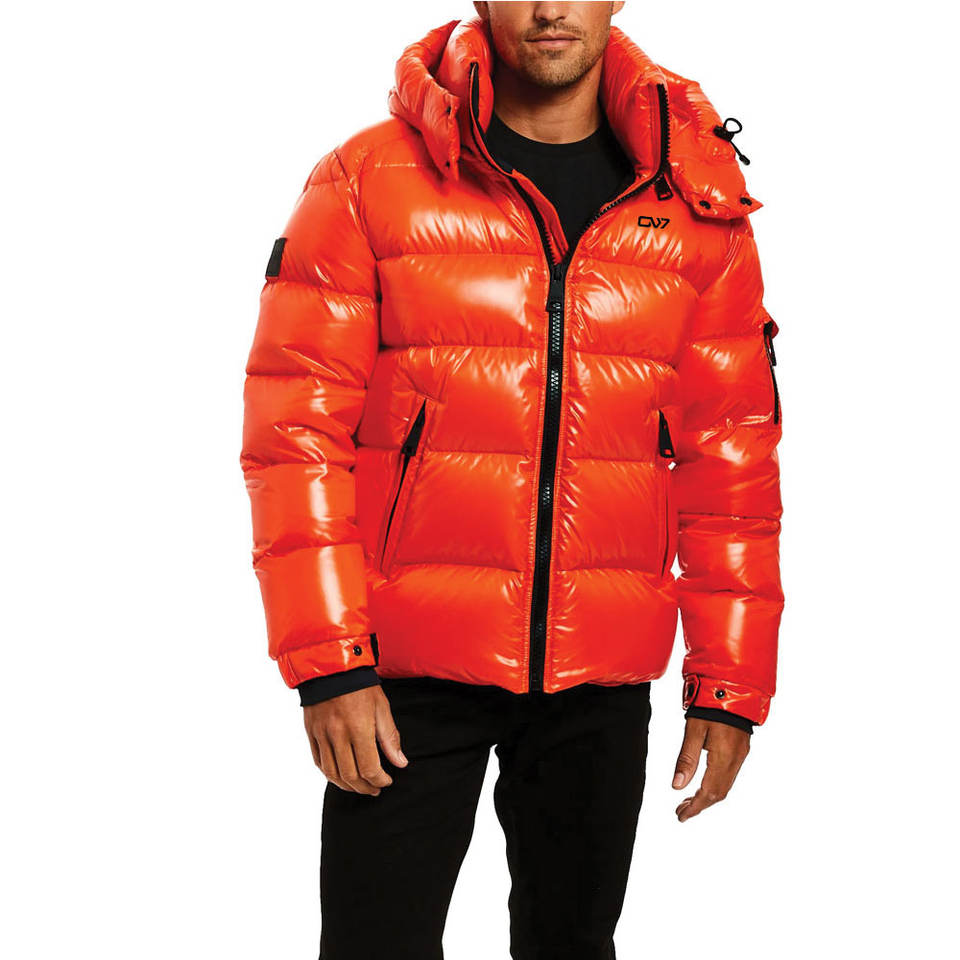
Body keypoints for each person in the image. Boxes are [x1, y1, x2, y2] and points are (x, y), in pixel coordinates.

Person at [240, 3, 783, 957]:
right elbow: (295, 433)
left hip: (600, 673)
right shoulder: (368, 180)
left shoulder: (695, 197)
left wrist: (729, 683)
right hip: (402, 670)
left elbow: (730, 453)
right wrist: (329, 663)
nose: (549, 8)